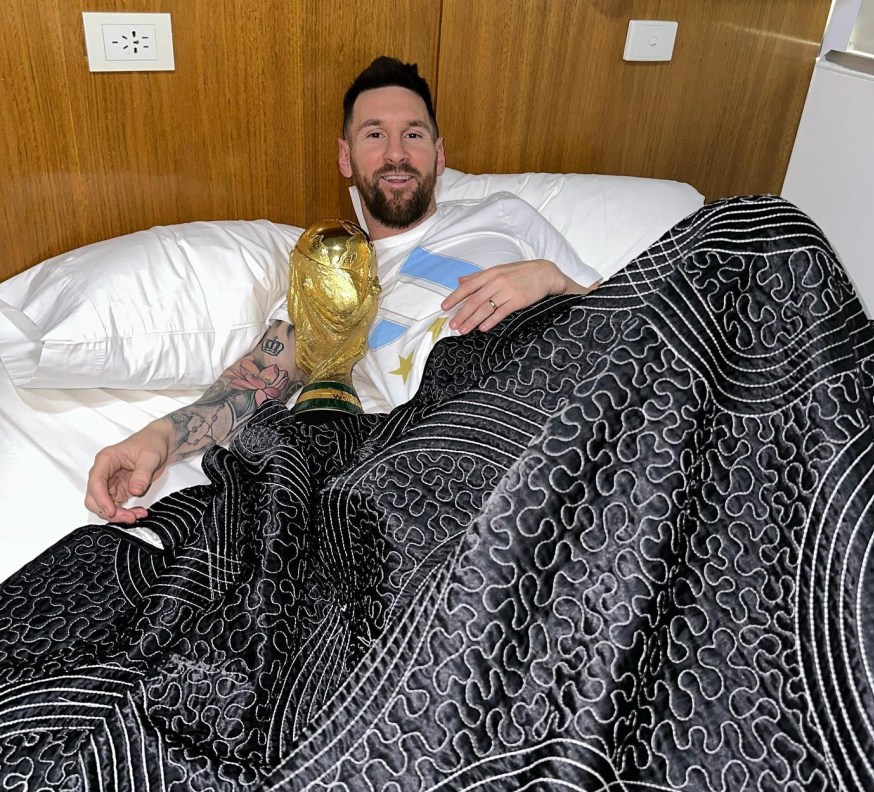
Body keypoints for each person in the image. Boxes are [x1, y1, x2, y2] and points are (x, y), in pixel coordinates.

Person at [84, 56, 601, 525]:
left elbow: (630, 314)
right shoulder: (332, 273)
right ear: (346, 157)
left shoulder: (505, 214)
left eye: (414, 136)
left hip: (578, 379)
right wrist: (158, 438)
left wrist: (556, 281)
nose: (396, 154)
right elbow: (256, 381)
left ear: (440, 155)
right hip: (475, 434)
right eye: (375, 135)